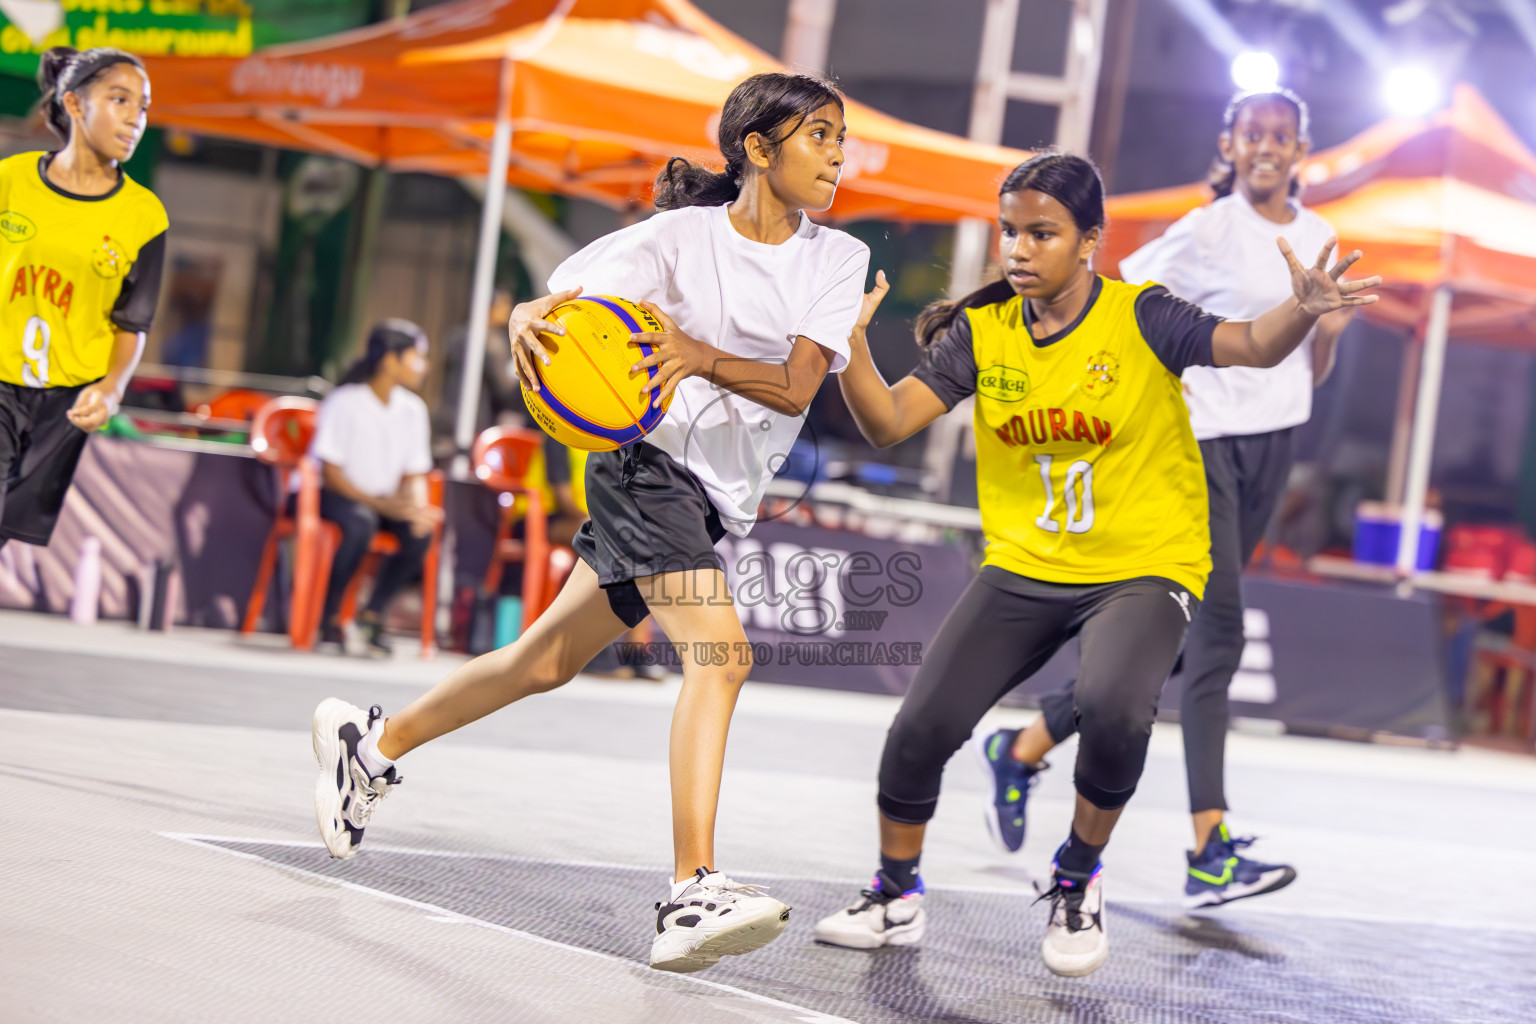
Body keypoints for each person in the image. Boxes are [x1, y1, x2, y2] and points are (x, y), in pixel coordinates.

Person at [310, 72, 870, 973]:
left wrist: (695, 355)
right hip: (645, 467)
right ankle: (692, 891)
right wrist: (533, 314)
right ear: (757, 150)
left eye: (842, 137)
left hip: (711, 497)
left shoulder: (835, 261)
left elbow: (799, 384)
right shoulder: (676, 239)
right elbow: (562, 299)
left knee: (543, 662)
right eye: (820, 135)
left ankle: (368, 747)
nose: (840, 153)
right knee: (722, 657)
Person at [812, 152, 1376, 977]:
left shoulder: (1142, 317)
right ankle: (894, 893)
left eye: (1041, 232)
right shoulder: (984, 334)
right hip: (1027, 564)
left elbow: (1252, 346)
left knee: (1115, 707)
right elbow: (891, 421)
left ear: (1090, 243)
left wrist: (1300, 310)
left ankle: (1077, 879)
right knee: (919, 730)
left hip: (1147, 563)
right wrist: (851, 346)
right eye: (1010, 231)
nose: (1018, 248)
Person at [976, 89, 1351, 911]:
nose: (1266, 148)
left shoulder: (1321, 236)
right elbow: (1122, 307)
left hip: (1275, 444)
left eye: (1281, 137)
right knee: (1216, 642)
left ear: (1300, 150)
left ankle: (1024, 744)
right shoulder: (1205, 229)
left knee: (1180, 644)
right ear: (1230, 144)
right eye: (1252, 135)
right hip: (1204, 445)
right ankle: (1209, 848)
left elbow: (1310, 361)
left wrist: (1323, 336)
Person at [0, 47, 165, 551]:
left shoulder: (145, 216)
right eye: (120, 100)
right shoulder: (11, 180)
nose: (135, 118)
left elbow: (131, 324)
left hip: (66, 404)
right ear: (74, 103)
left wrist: (111, 390)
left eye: (142, 107)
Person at [306, 319, 442, 657]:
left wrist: (417, 510)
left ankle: (372, 614)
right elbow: (331, 474)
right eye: (416, 357)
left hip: (380, 503)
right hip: (334, 497)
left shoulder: (413, 409)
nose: (423, 367)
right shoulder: (344, 401)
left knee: (419, 533)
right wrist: (385, 507)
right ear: (389, 360)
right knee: (359, 523)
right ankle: (329, 617)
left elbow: (416, 474)